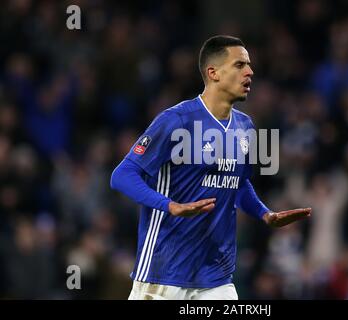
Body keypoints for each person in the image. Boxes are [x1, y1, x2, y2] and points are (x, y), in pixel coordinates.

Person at [110, 35, 312, 300]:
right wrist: (170, 206)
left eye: (249, 65)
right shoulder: (177, 120)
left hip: (216, 277)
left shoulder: (245, 127)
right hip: (164, 273)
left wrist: (264, 214)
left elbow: (237, 183)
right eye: (240, 65)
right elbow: (122, 175)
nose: (250, 72)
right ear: (213, 73)